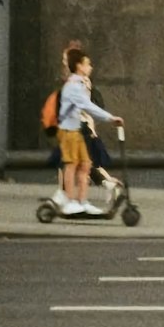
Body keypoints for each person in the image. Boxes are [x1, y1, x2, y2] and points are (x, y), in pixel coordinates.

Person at [57, 47, 123, 216]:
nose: (90, 67)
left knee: (85, 166)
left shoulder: (80, 83)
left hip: (79, 130)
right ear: (79, 66)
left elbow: (88, 107)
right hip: (70, 131)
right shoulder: (73, 85)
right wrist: (109, 118)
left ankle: (81, 201)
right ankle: (70, 201)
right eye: (87, 64)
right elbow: (87, 106)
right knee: (72, 167)